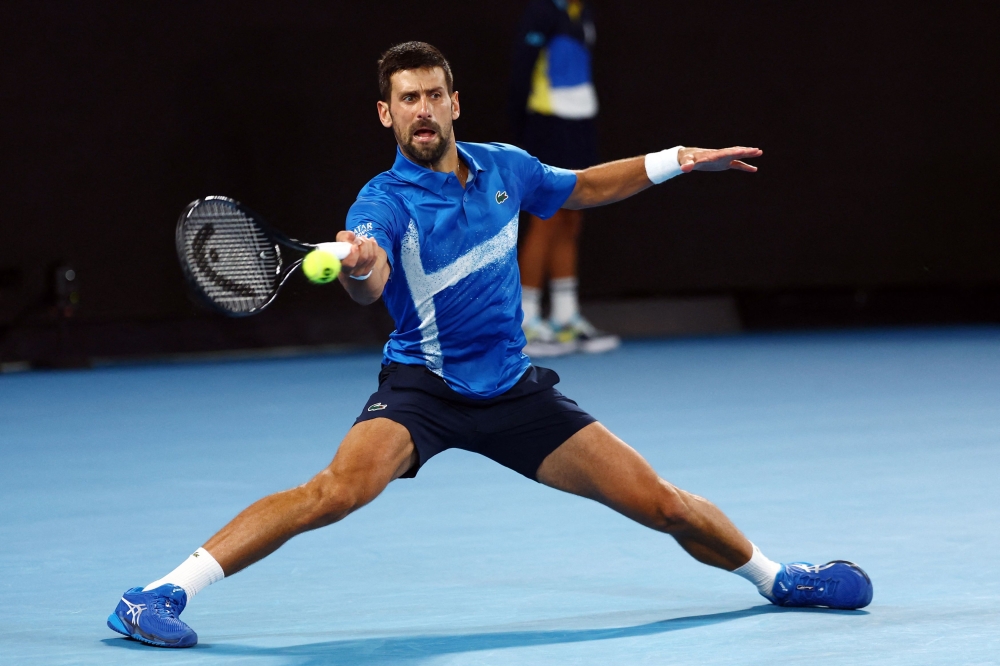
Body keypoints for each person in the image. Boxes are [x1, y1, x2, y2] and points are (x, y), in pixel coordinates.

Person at [107, 42, 872, 649]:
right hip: (424, 390)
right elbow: (369, 281)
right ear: (386, 114)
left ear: (454, 102)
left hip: (512, 391)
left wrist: (679, 161)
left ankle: (780, 579)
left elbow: (586, 187)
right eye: (407, 99)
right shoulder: (382, 202)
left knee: (661, 503)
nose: (423, 109)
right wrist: (360, 265)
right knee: (333, 493)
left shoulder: (505, 168)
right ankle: (160, 593)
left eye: (434, 94)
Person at [509, 0, 618, 356]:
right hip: (547, 122)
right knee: (547, 218)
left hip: (581, 121)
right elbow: (522, 69)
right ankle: (524, 320)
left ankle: (565, 318)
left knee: (573, 217)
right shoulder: (542, 11)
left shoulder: (582, 11)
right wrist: (520, 132)